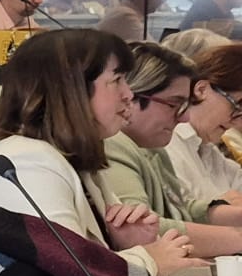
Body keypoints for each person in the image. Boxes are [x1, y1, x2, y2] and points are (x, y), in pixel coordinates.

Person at [0, 27, 200, 276]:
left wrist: (126, 243)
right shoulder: (26, 162)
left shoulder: (72, 155)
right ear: (72, 89)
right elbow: (69, 274)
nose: (128, 94)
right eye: (116, 81)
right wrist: (148, 260)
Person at [100, 42, 242, 257]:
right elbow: (139, 229)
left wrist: (228, 213)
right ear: (131, 96)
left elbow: (181, 208)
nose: (184, 117)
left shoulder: (153, 148)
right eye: (173, 104)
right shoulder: (113, 145)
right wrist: (236, 239)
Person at [167, 42, 242, 204]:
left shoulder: (208, 151)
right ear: (201, 90)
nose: (238, 121)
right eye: (238, 105)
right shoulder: (168, 144)